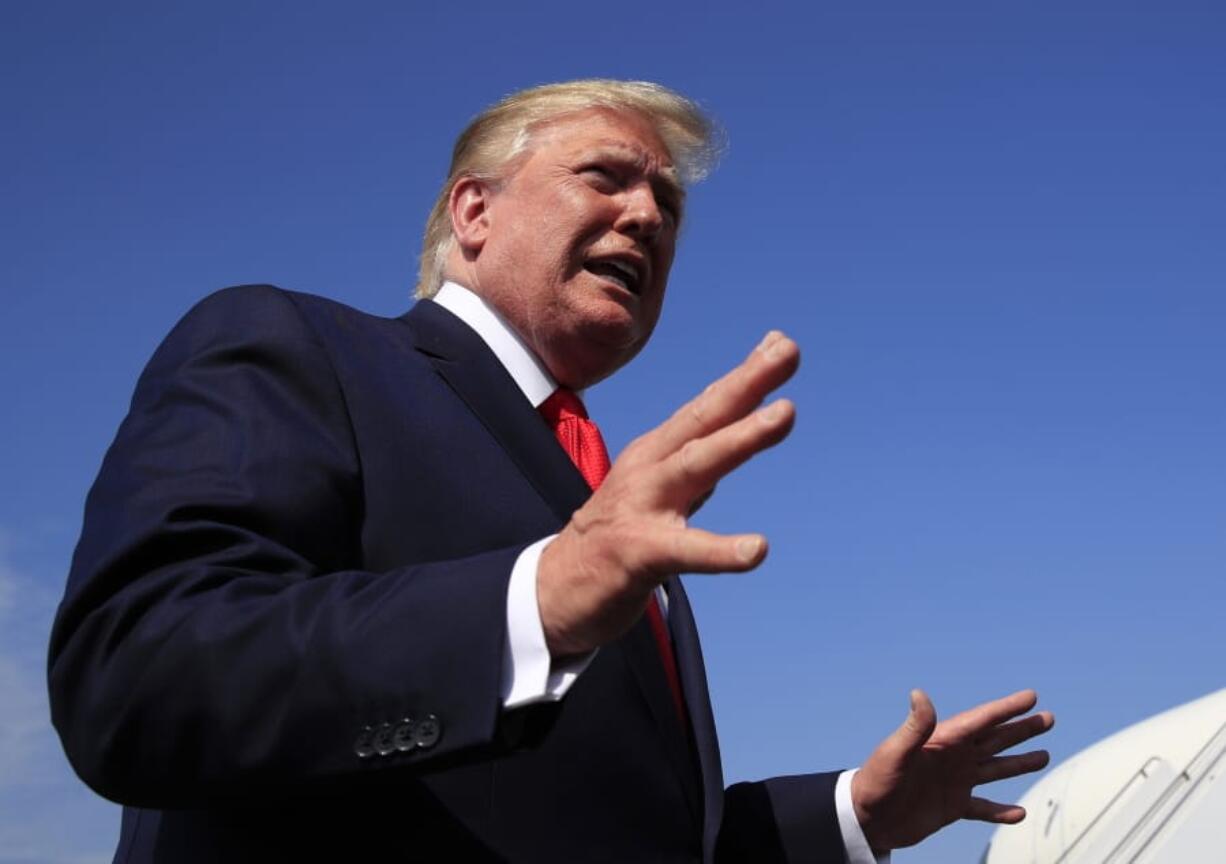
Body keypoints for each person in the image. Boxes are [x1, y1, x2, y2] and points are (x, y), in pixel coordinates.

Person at [49, 80, 1053, 863]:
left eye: (664, 198)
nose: (649, 216)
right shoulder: (297, 348)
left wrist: (851, 816)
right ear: (473, 210)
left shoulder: (607, 506)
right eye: (606, 176)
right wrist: (535, 603)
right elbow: (138, 677)